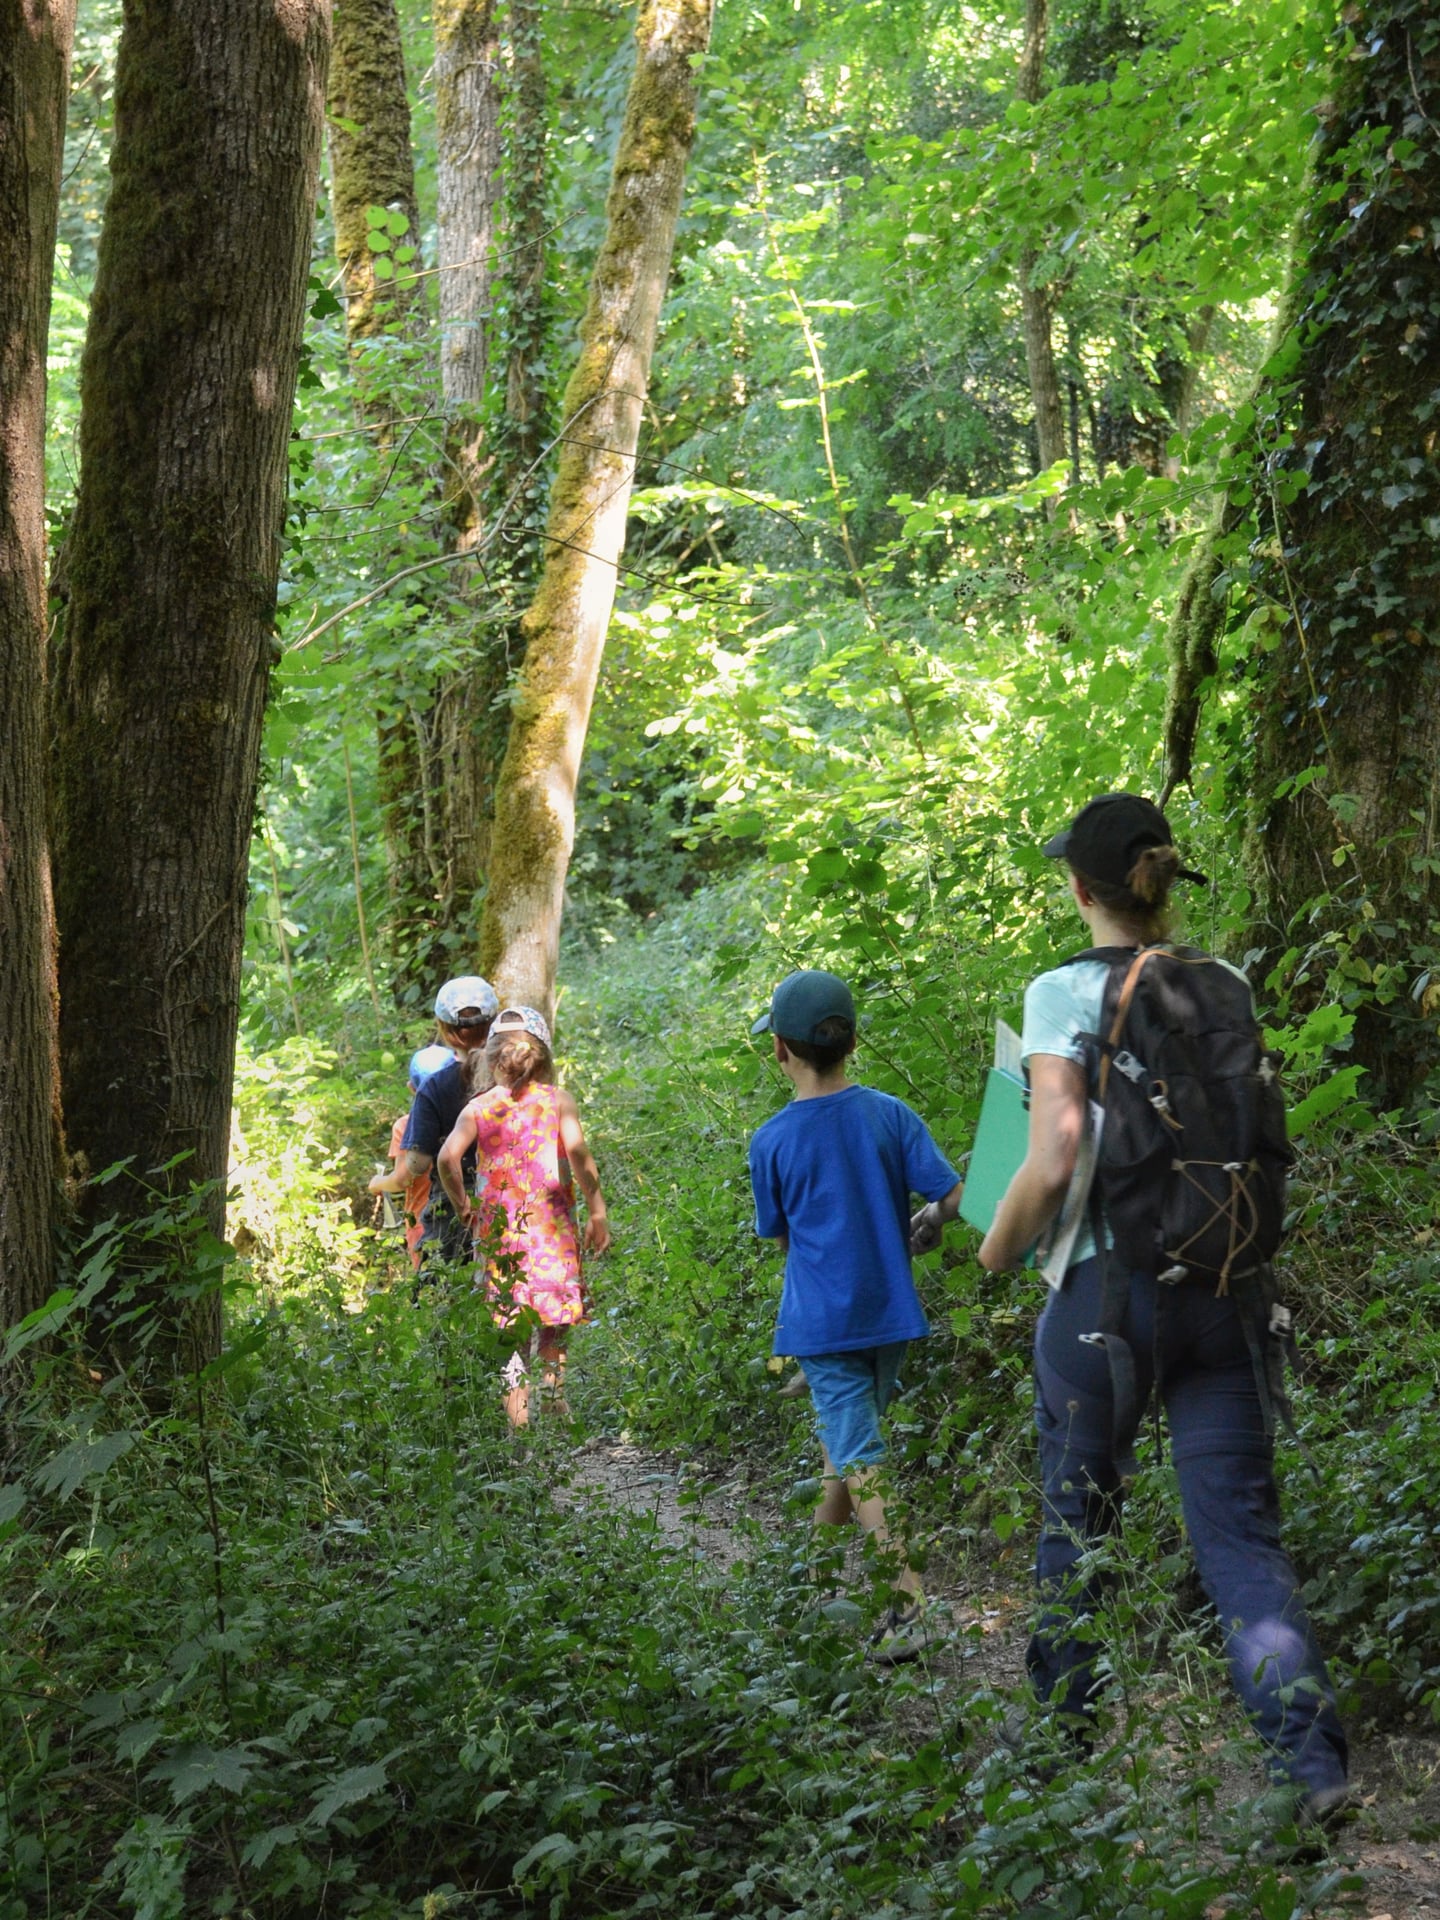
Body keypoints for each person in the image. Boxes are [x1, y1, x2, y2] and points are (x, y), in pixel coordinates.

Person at [959, 793, 1348, 1831]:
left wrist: (995, 1250)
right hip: (1225, 1293)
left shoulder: (1058, 993)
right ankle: (1311, 1771)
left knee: (1076, 1528)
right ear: (1162, 885)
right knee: (1240, 1541)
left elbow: (1048, 1157)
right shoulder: (1224, 983)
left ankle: (1059, 1757)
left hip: (1105, 1301)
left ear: (1080, 888)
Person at [748, 968, 963, 1663]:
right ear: (852, 1040)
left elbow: (783, 1238)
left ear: (780, 1049)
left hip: (822, 1323)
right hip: (889, 1316)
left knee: (858, 1452)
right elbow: (953, 1195)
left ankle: (912, 1604)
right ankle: (808, 1592)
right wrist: (925, 1215)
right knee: (842, 1443)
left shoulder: (772, 1141)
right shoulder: (890, 1115)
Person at [436, 1005, 610, 1427]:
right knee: (552, 1326)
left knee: (510, 1336)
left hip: (501, 1240)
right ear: (543, 1058)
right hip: (553, 1234)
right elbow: (580, 1156)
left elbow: (446, 1158)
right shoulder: (558, 1102)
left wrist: (464, 1206)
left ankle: (521, 1430)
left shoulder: (479, 1108)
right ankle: (553, 1395)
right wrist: (597, 1210)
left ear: (490, 1059)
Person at [398, 976, 500, 1267]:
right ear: (493, 1022)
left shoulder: (433, 1087)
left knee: (446, 1290)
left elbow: (417, 1163)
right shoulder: (513, 1076)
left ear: (444, 1029)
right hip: (513, 1196)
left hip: (453, 1210)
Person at [368, 1044, 453, 1273]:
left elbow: (402, 1179)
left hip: (423, 1224)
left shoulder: (405, 1126)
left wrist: (377, 1183)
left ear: (411, 1088)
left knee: (429, 1290)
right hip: (466, 1219)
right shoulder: (472, 1116)